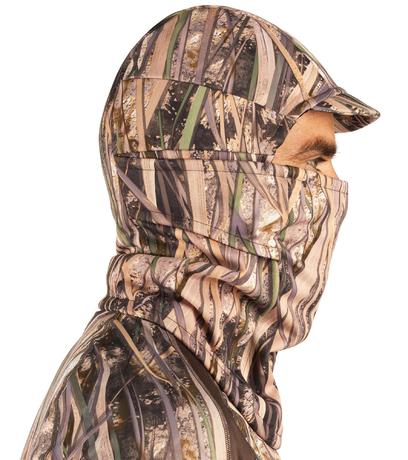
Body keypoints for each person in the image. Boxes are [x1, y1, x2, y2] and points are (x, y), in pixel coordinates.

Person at [21, 4, 380, 459]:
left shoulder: (167, 366)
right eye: (312, 161)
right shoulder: (156, 412)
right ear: (220, 185)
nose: (332, 188)